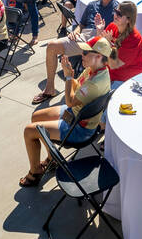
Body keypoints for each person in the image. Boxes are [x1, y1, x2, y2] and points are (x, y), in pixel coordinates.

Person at [18, 37, 112, 188]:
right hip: (75, 115)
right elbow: (76, 87)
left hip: (80, 129)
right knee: (36, 117)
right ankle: (52, 159)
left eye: (86, 52)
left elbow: (70, 100)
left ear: (99, 56)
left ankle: (35, 173)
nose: (82, 53)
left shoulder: (95, 83)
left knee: (29, 131)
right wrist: (71, 75)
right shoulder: (95, 70)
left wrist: (68, 76)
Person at [33, 0, 118, 105]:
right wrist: (76, 31)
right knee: (51, 46)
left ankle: (83, 91)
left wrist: (101, 33)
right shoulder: (92, 5)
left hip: (100, 41)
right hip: (84, 36)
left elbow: (114, 35)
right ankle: (50, 88)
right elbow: (82, 24)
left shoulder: (117, 9)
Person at [93, 0, 142, 88]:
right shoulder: (113, 26)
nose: (115, 15)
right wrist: (99, 31)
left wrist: (108, 44)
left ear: (128, 20)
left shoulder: (134, 39)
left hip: (127, 80)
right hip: (109, 73)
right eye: (116, 11)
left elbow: (115, 64)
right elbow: (97, 49)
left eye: (119, 14)